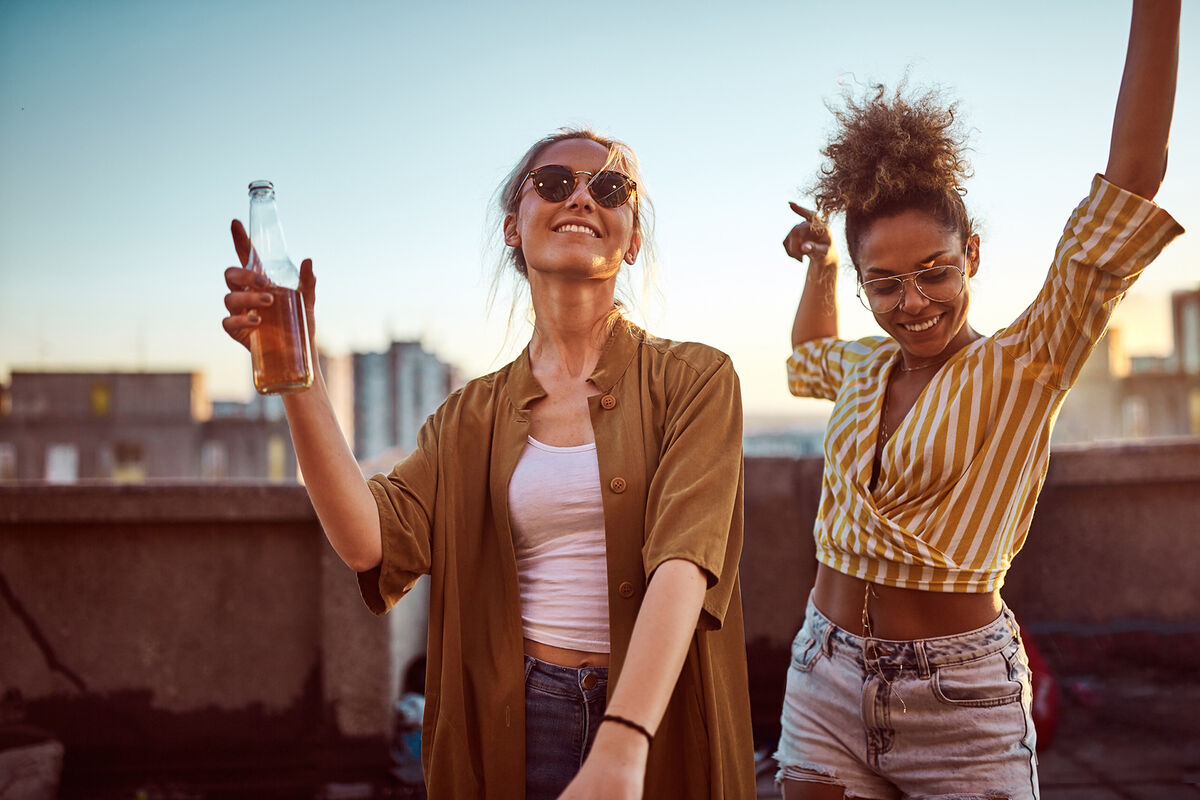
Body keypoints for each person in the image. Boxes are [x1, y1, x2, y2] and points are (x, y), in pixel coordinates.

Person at [221, 128, 755, 799]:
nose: (584, 197)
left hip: (661, 716)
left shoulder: (698, 379)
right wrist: (300, 378)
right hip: (518, 720)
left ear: (634, 238)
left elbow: (685, 562)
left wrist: (623, 740)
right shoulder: (467, 416)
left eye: (612, 188)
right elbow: (367, 541)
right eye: (556, 183)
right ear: (513, 226)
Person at [777, 3, 1182, 798]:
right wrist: (821, 266)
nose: (914, 302)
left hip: (959, 701)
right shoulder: (865, 367)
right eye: (883, 283)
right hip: (821, 673)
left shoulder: (1029, 361)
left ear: (973, 256)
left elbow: (1134, 177)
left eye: (935, 270)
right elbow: (804, 362)